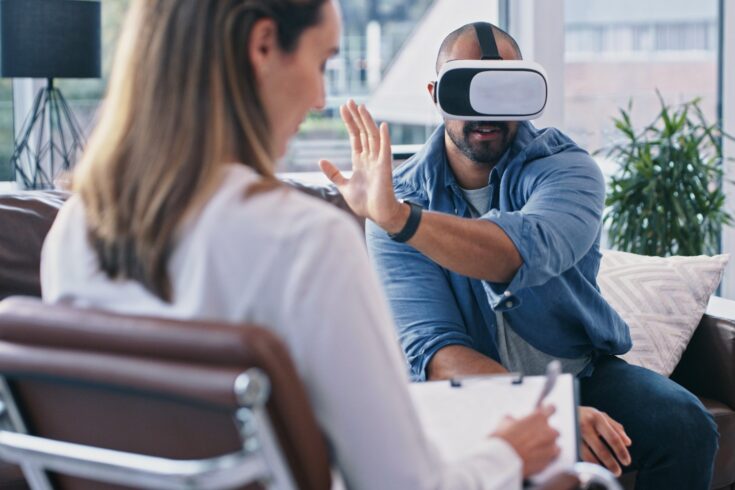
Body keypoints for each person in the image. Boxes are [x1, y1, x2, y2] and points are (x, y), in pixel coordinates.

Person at [40, 2, 562, 489]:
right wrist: (509, 453)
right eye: (322, 61)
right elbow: (401, 484)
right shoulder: (304, 243)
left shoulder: (73, 233)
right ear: (263, 46)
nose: (318, 98)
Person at [320, 22, 719, 490]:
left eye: (504, 89)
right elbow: (436, 351)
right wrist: (550, 414)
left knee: (686, 426)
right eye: (468, 89)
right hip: (466, 390)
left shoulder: (568, 170)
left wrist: (403, 221)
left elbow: (523, 250)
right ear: (435, 94)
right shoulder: (397, 200)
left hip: (576, 371)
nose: (486, 111)